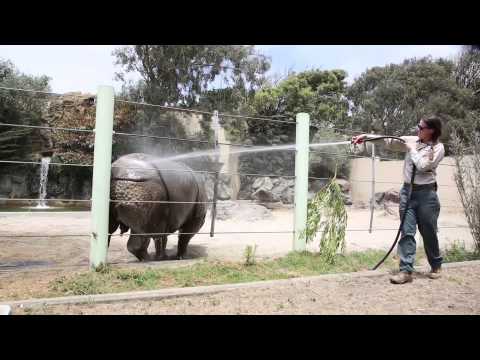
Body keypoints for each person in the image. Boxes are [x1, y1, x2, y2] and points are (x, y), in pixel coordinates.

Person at [352, 115, 445, 284]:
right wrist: (365, 137)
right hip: (407, 193)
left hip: (427, 195)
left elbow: (424, 166)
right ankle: (406, 271)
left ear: (431, 130)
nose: (418, 129)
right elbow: (388, 141)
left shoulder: (438, 148)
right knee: (407, 232)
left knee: (428, 232)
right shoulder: (412, 140)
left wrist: (412, 150)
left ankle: (436, 264)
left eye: (421, 127)